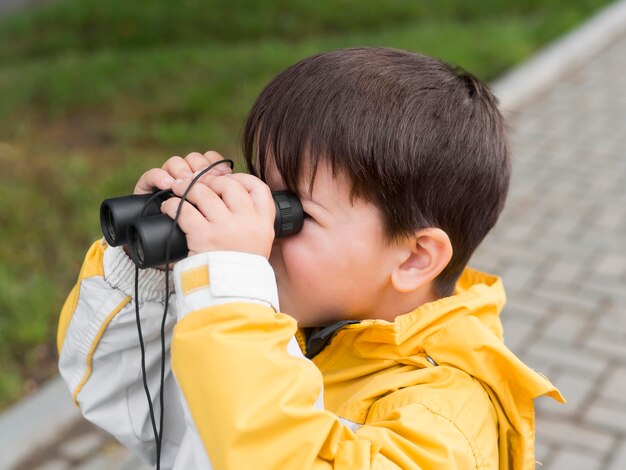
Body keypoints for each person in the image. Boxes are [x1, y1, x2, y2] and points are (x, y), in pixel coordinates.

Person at [58, 47, 564, 469]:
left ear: (414, 259)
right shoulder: (283, 333)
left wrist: (233, 293)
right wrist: (147, 274)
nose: (262, 227)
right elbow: (131, 405)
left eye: (293, 211)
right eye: (260, 188)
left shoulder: (443, 421)